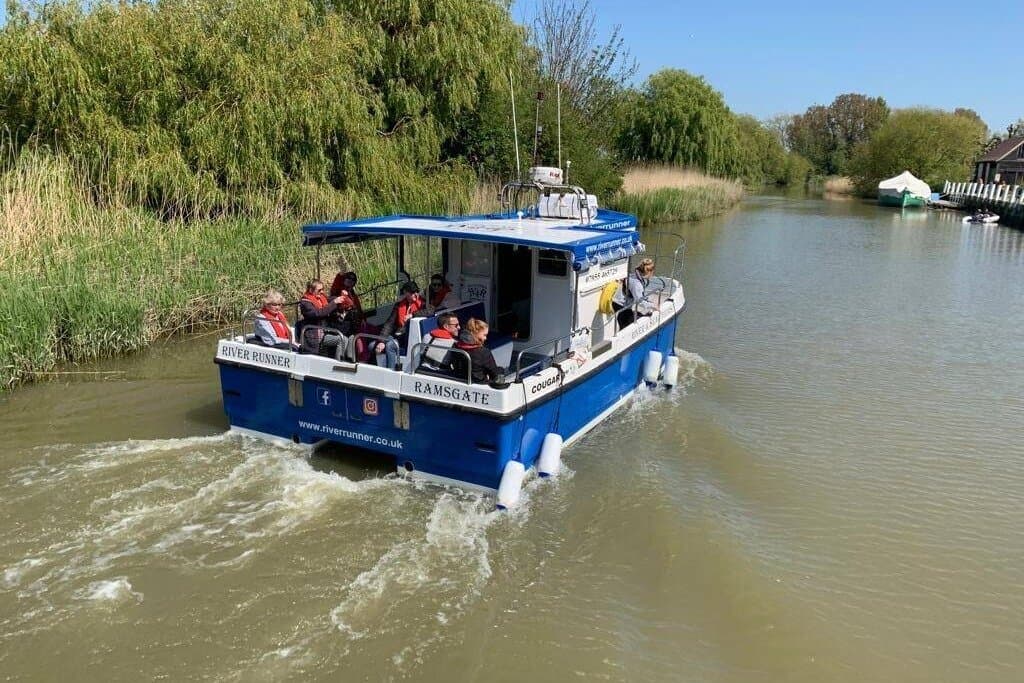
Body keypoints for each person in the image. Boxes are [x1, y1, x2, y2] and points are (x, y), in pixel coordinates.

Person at [374, 281, 424, 368]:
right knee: (373, 345)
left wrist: (412, 315)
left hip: (408, 338)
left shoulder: (423, 304)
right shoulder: (399, 305)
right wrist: (381, 341)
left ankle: (391, 372)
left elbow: (430, 311)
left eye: (416, 292)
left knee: (389, 346)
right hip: (397, 334)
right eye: (412, 292)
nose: (415, 294)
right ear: (405, 293)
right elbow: (389, 324)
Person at [297, 279, 345, 353]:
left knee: (348, 338)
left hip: (325, 331)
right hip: (314, 335)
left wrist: (341, 296)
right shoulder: (305, 303)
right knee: (342, 340)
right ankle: (340, 359)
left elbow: (329, 300)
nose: (322, 292)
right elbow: (318, 313)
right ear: (311, 290)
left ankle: (348, 358)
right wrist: (334, 302)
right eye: (319, 290)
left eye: (323, 289)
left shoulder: (321, 297)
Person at [453, 318, 503, 383]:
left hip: (458, 379)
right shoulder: (483, 352)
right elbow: (494, 373)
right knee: (500, 370)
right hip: (478, 382)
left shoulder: (456, 346)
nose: (485, 338)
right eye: (484, 335)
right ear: (476, 333)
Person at [611, 258, 656, 328]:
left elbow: (641, 295)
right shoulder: (637, 283)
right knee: (627, 325)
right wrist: (653, 306)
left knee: (634, 316)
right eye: (653, 272)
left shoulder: (634, 275)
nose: (652, 275)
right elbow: (639, 301)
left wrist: (648, 302)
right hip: (620, 305)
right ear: (649, 272)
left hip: (619, 302)